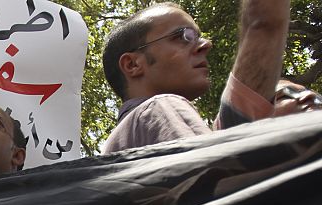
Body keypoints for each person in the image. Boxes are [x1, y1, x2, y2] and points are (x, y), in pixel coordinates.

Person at [102, 0, 290, 153]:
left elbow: (265, 25)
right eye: (183, 36)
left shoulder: (127, 137)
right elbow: (213, 177)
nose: (206, 44)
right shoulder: (159, 108)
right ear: (132, 65)